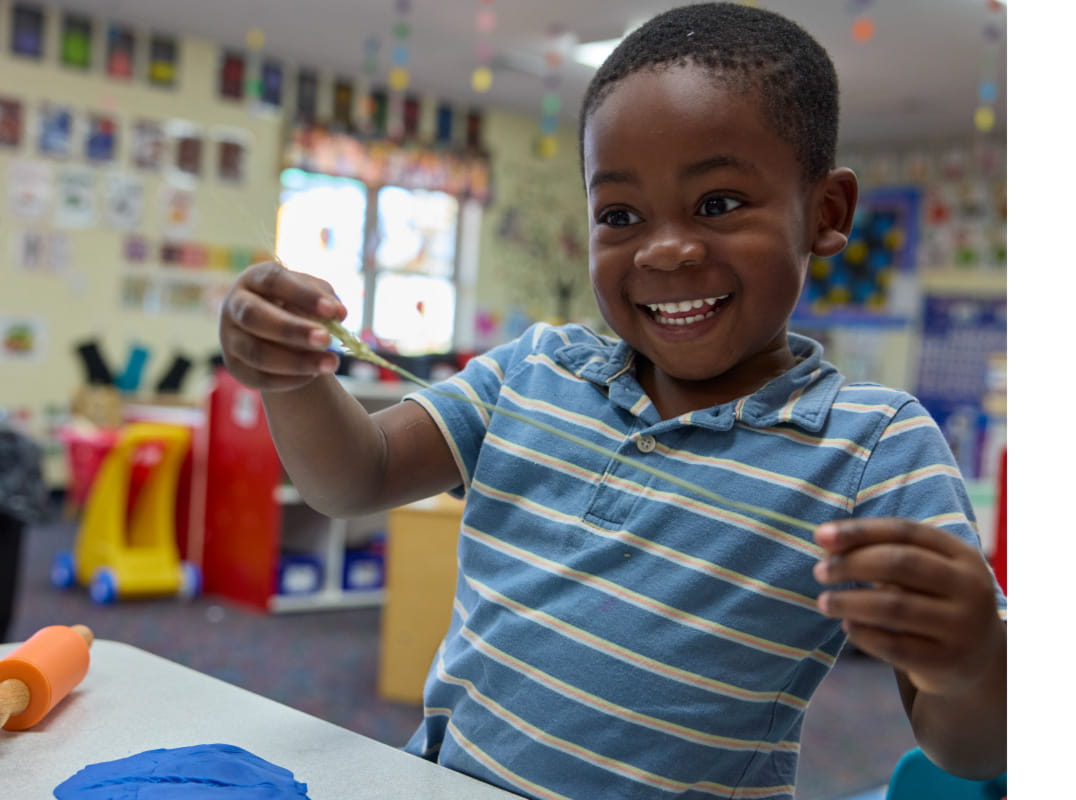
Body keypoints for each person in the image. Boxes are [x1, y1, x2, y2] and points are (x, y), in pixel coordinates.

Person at [218, 3, 1006, 797]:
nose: (666, 249)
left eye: (719, 203)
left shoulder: (872, 448)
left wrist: (973, 663)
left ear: (825, 214)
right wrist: (292, 377)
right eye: (620, 215)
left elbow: (970, 751)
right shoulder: (534, 370)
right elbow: (354, 477)